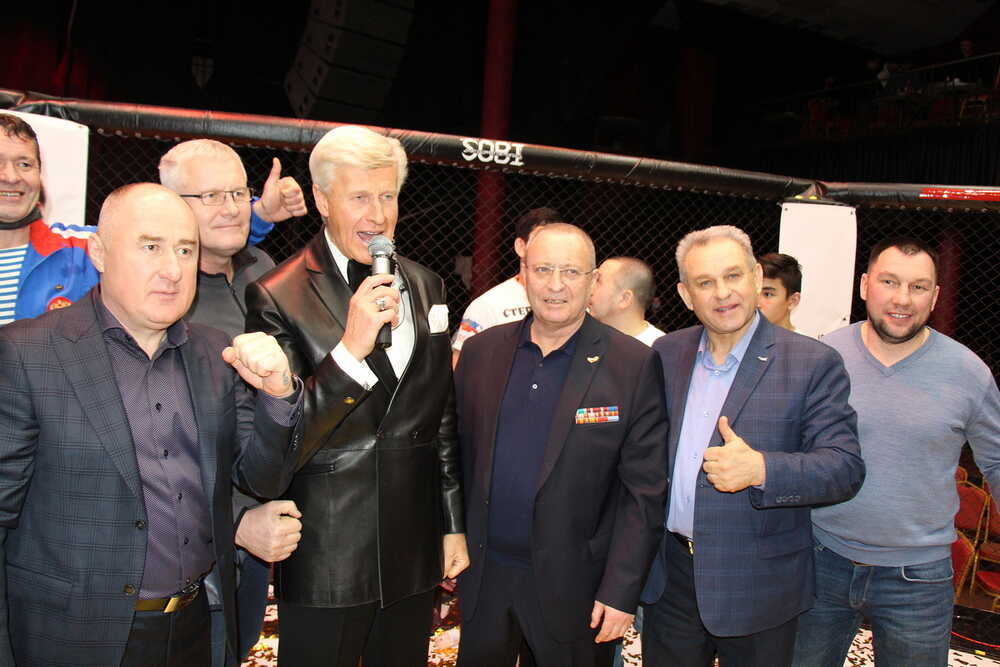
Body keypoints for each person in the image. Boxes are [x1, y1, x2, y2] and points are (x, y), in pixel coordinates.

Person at [0, 183, 302, 666]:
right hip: (70, 636)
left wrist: (279, 395)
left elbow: (258, 478)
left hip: (196, 625)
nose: (172, 270)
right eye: (150, 247)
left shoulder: (215, 351)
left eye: (185, 250)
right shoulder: (26, 354)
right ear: (99, 252)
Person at [245, 124, 468, 666]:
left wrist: (451, 523)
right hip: (327, 551)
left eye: (387, 196)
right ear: (322, 201)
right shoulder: (276, 294)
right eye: (359, 197)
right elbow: (284, 439)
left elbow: (440, 413)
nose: (378, 214)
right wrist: (350, 349)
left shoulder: (427, 285)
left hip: (413, 547)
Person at [640, 225, 864, 667]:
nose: (722, 293)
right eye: (705, 282)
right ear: (686, 295)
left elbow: (844, 468)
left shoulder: (812, 362)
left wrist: (762, 470)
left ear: (756, 277)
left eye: (733, 276)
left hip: (759, 585)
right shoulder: (666, 353)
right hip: (672, 579)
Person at [454, 222, 669, 667]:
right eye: (543, 269)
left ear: (592, 281)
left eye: (571, 272)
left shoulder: (633, 365)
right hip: (484, 577)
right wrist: (448, 534)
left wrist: (621, 591)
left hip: (578, 589)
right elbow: (453, 458)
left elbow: (644, 493)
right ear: (523, 274)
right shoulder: (480, 352)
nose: (555, 285)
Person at [793, 238, 1000, 667]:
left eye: (918, 286)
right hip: (820, 559)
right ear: (865, 286)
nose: (902, 299)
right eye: (889, 282)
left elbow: (996, 461)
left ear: (935, 296)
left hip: (918, 578)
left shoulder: (967, 372)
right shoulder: (822, 358)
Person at [158, 139, 307, 664]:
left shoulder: (260, 267)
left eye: (239, 193)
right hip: (186, 537)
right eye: (211, 196)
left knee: (236, 648)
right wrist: (237, 519)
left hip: (258, 509)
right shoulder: (161, 293)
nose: (231, 208)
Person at [0, 111, 298, 326]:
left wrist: (258, 215)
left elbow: (168, 233)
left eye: (24, 164)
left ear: (40, 173)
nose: (11, 177)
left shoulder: (79, 248)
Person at [452, 206, 563, 367]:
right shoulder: (487, 306)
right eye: (540, 240)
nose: (548, 249)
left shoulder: (575, 301)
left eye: (555, 242)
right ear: (520, 246)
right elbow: (460, 367)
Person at [588, 255, 665, 345]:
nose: (589, 288)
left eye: (598, 281)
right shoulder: (581, 331)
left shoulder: (658, 348)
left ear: (624, 299)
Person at [757, 252, 802, 332]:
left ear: (793, 301)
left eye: (767, 294)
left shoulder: (802, 340)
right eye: (754, 293)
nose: (756, 303)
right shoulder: (740, 338)